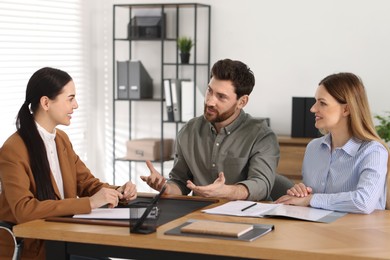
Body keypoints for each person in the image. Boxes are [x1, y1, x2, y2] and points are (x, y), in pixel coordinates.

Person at [0, 67, 137, 259]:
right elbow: (24, 210)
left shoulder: (61, 140)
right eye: (70, 98)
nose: (76, 105)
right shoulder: (13, 149)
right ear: (46, 103)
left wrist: (118, 191)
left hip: (64, 237)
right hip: (34, 248)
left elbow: (88, 183)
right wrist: (89, 203)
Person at [141, 58, 280, 201]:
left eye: (221, 97)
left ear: (242, 102)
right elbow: (180, 182)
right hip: (201, 215)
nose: (209, 101)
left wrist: (227, 191)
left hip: (246, 218)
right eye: (209, 91)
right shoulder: (189, 131)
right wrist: (166, 188)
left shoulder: (262, 136)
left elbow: (261, 185)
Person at [276, 72, 389, 214]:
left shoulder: (373, 152)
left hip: (358, 233)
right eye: (315, 101)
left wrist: (310, 199)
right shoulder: (313, 148)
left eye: (322, 103)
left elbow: (364, 201)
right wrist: (301, 193)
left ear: (346, 109)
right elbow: (309, 198)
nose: (313, 109)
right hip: (317, 230)